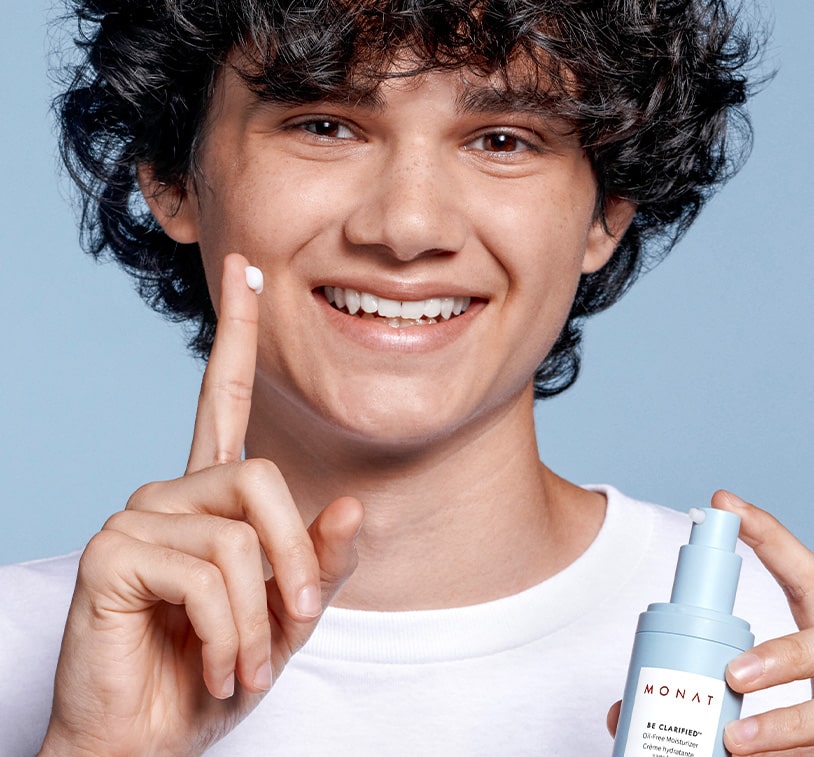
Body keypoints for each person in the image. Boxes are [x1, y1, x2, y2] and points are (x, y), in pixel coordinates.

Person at [2, 0, 813, 754]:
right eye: (324, 125)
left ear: (608, 210)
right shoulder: (27, 652)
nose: (408, 227)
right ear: (172, 181)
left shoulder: (784, 653)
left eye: (502, 140)